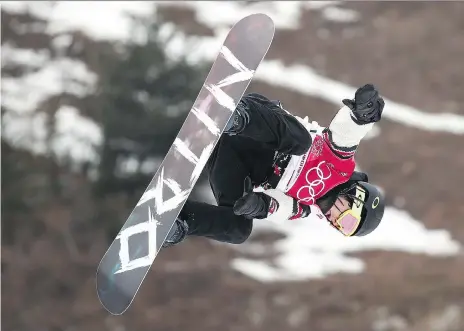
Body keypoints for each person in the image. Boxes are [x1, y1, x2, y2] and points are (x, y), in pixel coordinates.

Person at [163, 83, 386, 248]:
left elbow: (280, 208)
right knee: (301, 142)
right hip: (256, 127)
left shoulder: (304, 208)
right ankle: (235, 117)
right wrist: (362, 116)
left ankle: (176, 221)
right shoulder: (339, 166)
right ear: (357, 199)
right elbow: (346, 135)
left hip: (232, 158)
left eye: (343, 230)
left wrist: (259, 206)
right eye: (347, 221)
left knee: (239, 230)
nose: (337, 223)